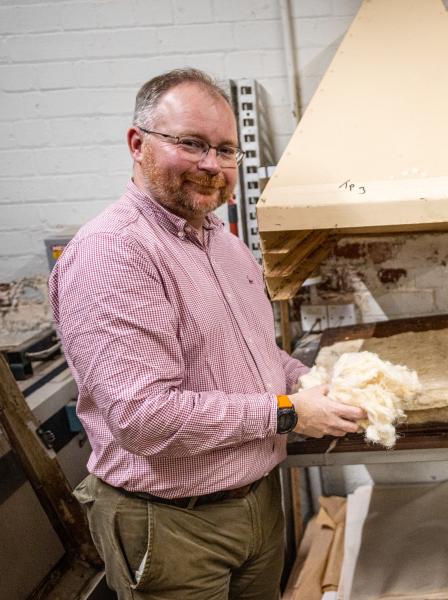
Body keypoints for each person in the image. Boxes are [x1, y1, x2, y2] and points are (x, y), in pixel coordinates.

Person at [50, 68, 365, 600]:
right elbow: (145, 420)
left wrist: (311, 378)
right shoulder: (114, 252)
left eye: (224, 150)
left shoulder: (222, 242)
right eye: (191, 144)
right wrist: (289, 411)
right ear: (137, 144)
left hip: (257, 506)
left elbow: (255, 355)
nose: (211, 165)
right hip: (172, 525)